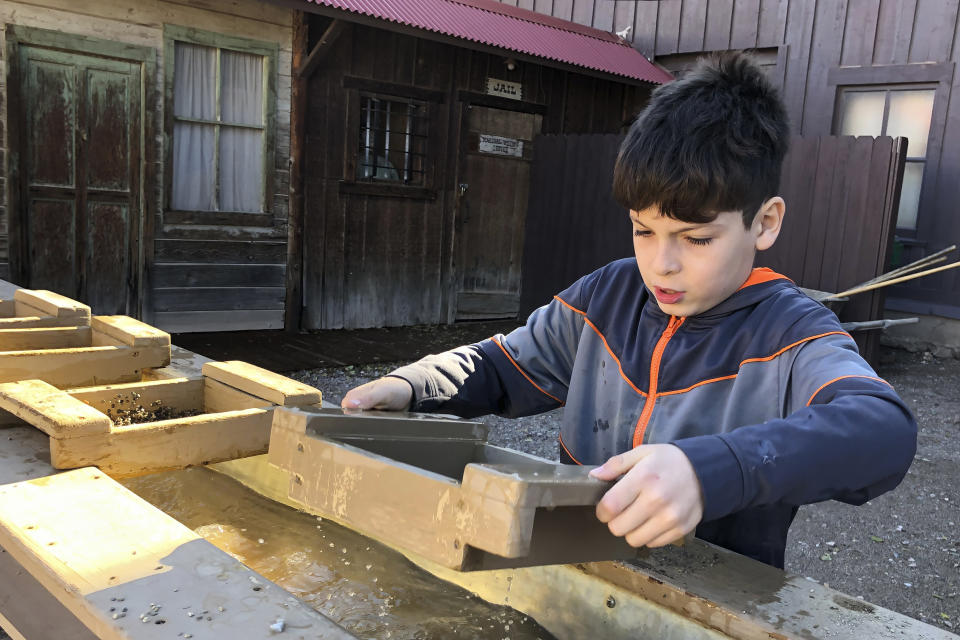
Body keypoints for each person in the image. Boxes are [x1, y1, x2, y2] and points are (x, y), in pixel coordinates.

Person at [340, 52, 917, 568]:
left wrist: (710, 471)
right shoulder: (607, 297)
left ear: (764, 222)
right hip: (574, 567)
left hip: (715, 594)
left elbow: (882, 431)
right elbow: (500, 365)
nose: (661, 265)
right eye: (643, 230)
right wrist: (413, 385)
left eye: (696, 239)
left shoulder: (792, 334)